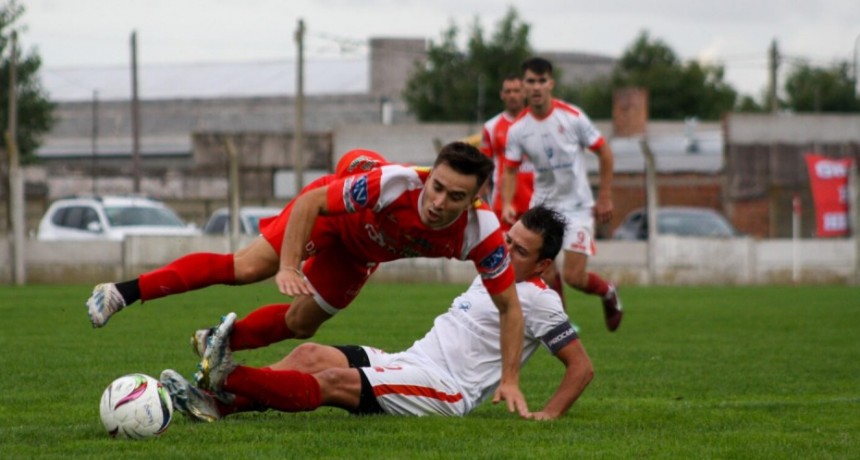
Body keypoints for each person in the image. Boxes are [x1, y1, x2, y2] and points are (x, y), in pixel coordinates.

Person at [86, 141, 528, 414]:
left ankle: (216, 343)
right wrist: (289, 265)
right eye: (437, 186)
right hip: (330, 221)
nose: (438, 202)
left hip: (359, 257)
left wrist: (509, 378)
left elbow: (509, 307)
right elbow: (311, 203)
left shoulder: (481, 234)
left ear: (475, 199)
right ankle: (120, 292)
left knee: (302, 323)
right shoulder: (394, 184)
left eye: (455, 196)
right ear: (429, 175)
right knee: (248, 267)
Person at [160, 205, 593, 421]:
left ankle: (226, 376)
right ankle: (217, 403)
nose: (507, 250)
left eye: (520, 250)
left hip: (445, 390)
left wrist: (548, 415)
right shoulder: (493, 269)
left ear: (542, 266)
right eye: (509, 239)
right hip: (411, 361)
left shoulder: (540, 299)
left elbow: (581, 367)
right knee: (310, 353)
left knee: (331, 382)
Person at [501, 56, 623, 332]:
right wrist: (507, 202)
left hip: (578, 206)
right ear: (523, 86)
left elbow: (604, 152)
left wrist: (605, 196)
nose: (536, 87)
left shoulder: (572, 117)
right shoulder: (518, 129)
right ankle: (562, 325)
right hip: (543, 205)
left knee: (574, 276)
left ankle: (608, 292)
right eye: (530, 81)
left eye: (542, 81)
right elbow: (509, 169)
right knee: (543, 270)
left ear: (551, 83)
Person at [480, 74, 568, 310]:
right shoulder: (491, 127)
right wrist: (481, 202)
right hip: (504, 205)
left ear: (525, 92)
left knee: (545, 268)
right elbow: (483, 170)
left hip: (536, 204)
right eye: (507, 91)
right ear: (501, 95)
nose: (512, 95)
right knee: (500, 263)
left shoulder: (539, 124)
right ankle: (504, 313)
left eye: (516, 91)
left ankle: (558, 315)